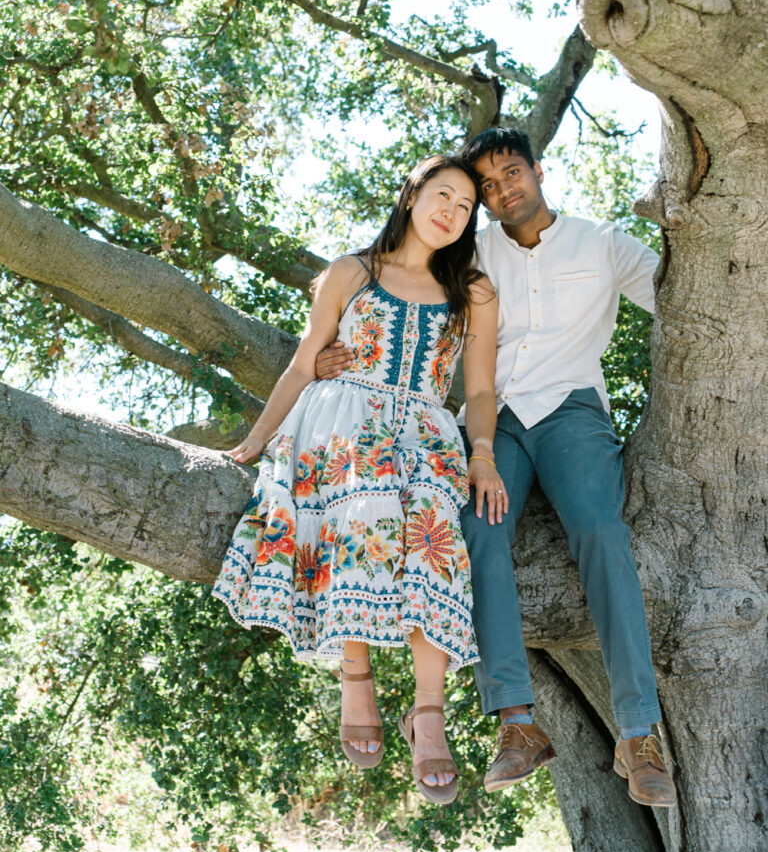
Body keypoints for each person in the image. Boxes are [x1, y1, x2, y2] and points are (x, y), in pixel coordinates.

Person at [317, 128, 677, 809]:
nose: (503, 190)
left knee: (602, 532)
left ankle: (638, 734)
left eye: (512, 173)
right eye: (489, 185)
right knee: (475, 534)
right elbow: (393, 295)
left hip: (572, 410)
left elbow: (681, 302)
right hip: (492, 422)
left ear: (537, 171)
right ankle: (516, 723)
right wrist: (333, 355)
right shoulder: (471, 256)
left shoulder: (601, 244)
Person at [213, 154, 505, 806]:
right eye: (443, 195)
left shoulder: (474, 291)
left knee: (432, 531)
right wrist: (255, 443)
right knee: (360, 511)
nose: (451, 212)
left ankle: (428, 713)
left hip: (427, 432)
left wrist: (480, 453)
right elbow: (300, 366)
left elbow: (480, 389)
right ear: (412, 195)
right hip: (340, 420)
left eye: (464, 207)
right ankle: (356, 679)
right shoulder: (352, 272)